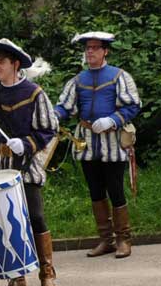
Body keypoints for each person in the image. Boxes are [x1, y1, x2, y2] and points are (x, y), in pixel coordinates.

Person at [0, 39, 60, 286]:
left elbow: (49, 128)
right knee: (4, 221)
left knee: (36, 217)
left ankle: (47, 274)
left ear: (15, 64)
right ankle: (16, 276)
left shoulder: (34, 93)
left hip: (26, 166)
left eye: (1, 62)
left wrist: (26, 144)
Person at [54, 31, 143, 259]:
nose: (90, 51)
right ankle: (106, 240)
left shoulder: (119, 76)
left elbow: (133, 105)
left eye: (95, 47)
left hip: (113, 142)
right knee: (95, 191)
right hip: (87, 144)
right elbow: (65, 106)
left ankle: (124, 239)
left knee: (115, 189)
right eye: (88, 48)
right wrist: (53, 116)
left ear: (105, 51)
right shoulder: (78, 80)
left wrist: (112, 120)